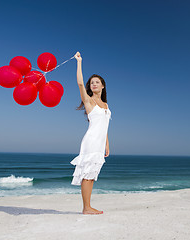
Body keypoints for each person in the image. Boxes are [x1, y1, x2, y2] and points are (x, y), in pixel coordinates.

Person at [70, 52, 112, 215]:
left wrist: (107, 144)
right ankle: (86, 207)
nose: (93, 84)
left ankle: (88, 206)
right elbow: (80, 83)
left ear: (103, 86)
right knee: (87, 174)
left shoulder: (106, 104)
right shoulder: (89, 101)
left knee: (92, 174)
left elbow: (105, 126)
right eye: (91, 83)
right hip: (91, 141)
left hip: (100, 143)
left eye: (97, 82)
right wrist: (79, 62)